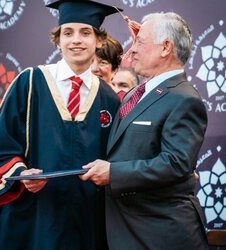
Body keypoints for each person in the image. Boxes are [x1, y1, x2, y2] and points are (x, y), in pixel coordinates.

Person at [0, 1, 121, 249]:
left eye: (85, 32)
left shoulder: (110, 99)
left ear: (99, 41)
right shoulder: (29, 83)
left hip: (85, 219)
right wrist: (21, 173)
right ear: (58, 41)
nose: (76, 40)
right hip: (34, 215)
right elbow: (2, 145)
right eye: (68, 33)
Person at [80, 12, 209, 250]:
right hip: (124, 231)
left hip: (159, 235)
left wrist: (113, 173)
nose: (132, 50)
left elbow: (175, 163)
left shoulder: (184, 98)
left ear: (165, 48)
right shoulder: (134, 94)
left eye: (140, 42)